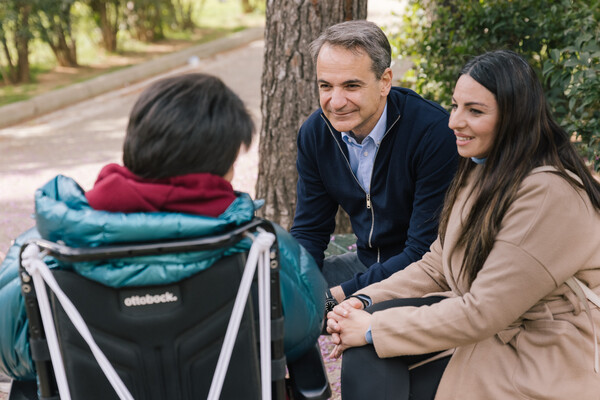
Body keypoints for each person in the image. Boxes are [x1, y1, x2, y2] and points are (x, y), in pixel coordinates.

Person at [0, 73, 327, 381]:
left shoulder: (43, 251)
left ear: (135, 146)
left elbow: (13, 355)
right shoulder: (262, 246)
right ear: (223, 166)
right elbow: (302, 330)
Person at [326, 49, 600, 399]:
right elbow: (436, 264)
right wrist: (363, 301)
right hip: (495, 337)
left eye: (475, 111)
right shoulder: (481, 171)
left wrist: (373, 327)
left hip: (548, 358)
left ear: (514, 119)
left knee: (373, 343)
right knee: (369, 351)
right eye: (455, 106)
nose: (454, 121)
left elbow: (484, 311)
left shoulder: (548, 194)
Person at [289, 20, 458, 307]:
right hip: (366, 264)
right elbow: (309, 230)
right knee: (274, 302)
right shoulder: (316, 134)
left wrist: (333, 300)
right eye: (326, 86)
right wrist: (298, 287)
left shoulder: (433, 133)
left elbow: (422, 252)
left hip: (428, 278)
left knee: (347, 330)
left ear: (385, 81)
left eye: (351, 86)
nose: (336, 102)